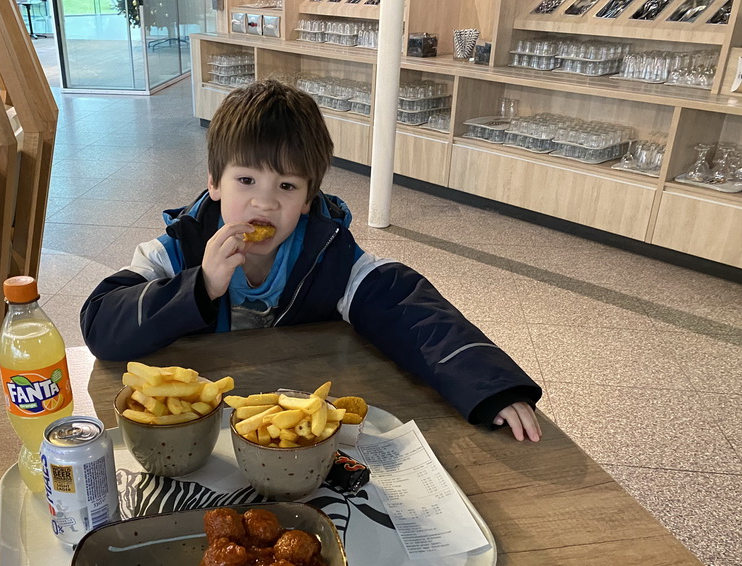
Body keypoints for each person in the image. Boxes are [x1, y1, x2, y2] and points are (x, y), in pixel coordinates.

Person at [80, 79, 542, 442]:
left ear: (307, 199)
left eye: (286, 186)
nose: (264, 204)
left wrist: (491, 387)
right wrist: (198, 286)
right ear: (214, 183)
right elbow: (101, 321)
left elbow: (409, 308)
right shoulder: (179, 247)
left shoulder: (328, 253)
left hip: (291, 430)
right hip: (198, 432)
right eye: (245, 180)